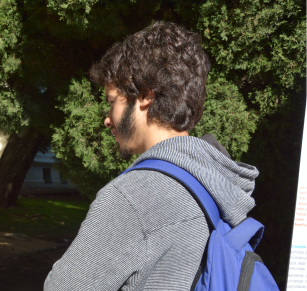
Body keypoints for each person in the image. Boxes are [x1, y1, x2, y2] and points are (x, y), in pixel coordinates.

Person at [44, 21, 259, 290]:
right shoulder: (216, 185)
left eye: (112, 101)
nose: (107, 120)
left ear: (145, 96)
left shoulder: (133, 197)